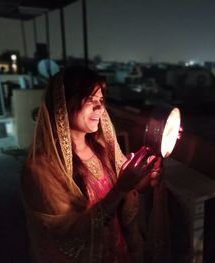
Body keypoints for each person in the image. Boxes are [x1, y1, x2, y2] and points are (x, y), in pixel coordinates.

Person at [20, 66, 164, 262]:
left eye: (101, 100)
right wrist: (121, 188)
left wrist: (146, 175)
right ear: (63, 105)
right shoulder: (41, 168)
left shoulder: (104, 147)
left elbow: (132, 189)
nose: (100, 108)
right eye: (90, 100)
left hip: (119, 252)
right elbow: (68, 233)